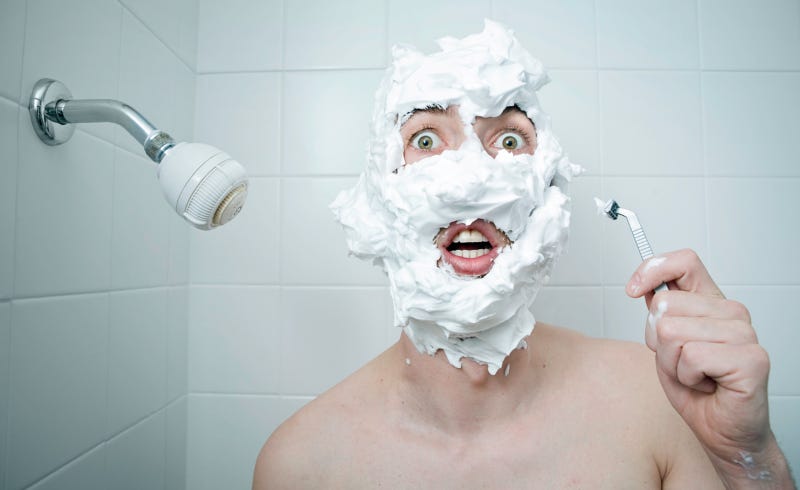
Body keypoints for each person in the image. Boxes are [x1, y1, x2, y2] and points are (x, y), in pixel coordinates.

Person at [253, 21, 794, 489]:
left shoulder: (658, 402)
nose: (471, 177)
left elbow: (749, 465)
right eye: (424, 141)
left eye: (509, 141)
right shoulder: (300, 465)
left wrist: (747, 457)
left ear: (546, 196)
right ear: (377, 196)